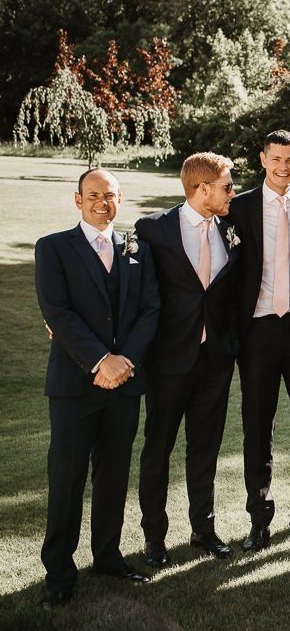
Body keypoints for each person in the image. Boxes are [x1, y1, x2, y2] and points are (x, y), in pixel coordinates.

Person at [35, 168, 159, 608]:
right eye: (93, 195)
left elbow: (150, 311)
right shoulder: (53, 248)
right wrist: (99, 361)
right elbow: (58, 312)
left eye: (110, 196)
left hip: (124, 383)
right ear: (77, 199)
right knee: (66, 479)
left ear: (120, 200)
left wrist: (124, 362)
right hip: (74, 385)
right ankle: (59, 573)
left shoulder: (135, 248)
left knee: (113, 476)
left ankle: (107, 555)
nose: (101, 202)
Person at [226, 129, 290, 551]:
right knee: (258, 425)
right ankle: (259, 518)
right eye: (277, 158)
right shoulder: (240, 207)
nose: (284, 166)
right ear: (262, 159)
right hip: (259, 331)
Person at [136, 152, 239, 567]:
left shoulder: (232, 229)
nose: (234, 193)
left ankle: (204, 528)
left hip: (215, 358)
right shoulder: (153, 230)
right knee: (157, 449)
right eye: (228, 186)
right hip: (167, 360)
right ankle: (154, 538)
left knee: (206, 447)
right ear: (201, 189)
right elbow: (130, 288)